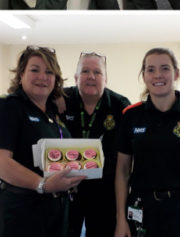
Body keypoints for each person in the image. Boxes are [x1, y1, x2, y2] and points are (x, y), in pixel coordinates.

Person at [0, 47, 87, 236]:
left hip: (56, 209)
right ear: (21, 73)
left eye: (49, 72)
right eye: (35, 70)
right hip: (20, 210)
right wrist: (43, 184)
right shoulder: (6, 108)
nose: (42, 77)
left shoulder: (52, 112)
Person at [115, 48, 180, 237]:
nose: (158, 75)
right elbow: (122, 171)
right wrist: (121, 220)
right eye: (151, 70)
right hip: (141, 208)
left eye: (165, 68)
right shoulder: (131, 116)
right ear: (144, 76)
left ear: (176, 73)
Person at [57, 52, 130, 237]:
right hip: (65, 188)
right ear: (75, 78)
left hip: (106, 192)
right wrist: (52, 95)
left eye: (97, 72)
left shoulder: (121, 106)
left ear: (106, 79)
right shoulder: (59, 100)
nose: (91, 76)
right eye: (85, 71)